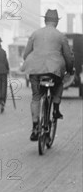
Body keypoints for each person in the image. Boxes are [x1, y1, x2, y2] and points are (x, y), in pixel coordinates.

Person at [21, 9, 74, 141]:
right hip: (54, 70)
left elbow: (25, 54)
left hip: (35, 70)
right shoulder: (61, 36)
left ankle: (35, 127)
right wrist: (70, 69)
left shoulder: (35, 33)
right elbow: (68, 56)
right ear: (56, 22)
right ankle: (55, 109)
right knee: (59, 85)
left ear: (45, 20)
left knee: (36, 97)